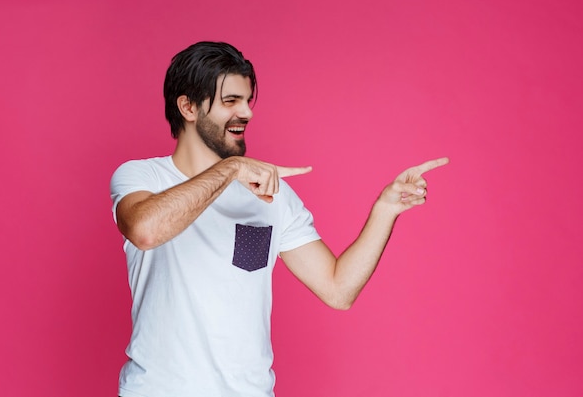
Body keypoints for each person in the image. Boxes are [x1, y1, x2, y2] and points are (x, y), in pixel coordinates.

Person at [110, 41, 448, 397]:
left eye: (247, 101)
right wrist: (232, 168)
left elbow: (338, 290)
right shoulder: (142, 177)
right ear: (188, 107)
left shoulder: (272, 195)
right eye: (230, 101)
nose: (247, 113)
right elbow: (145, 230)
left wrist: (385, 210)